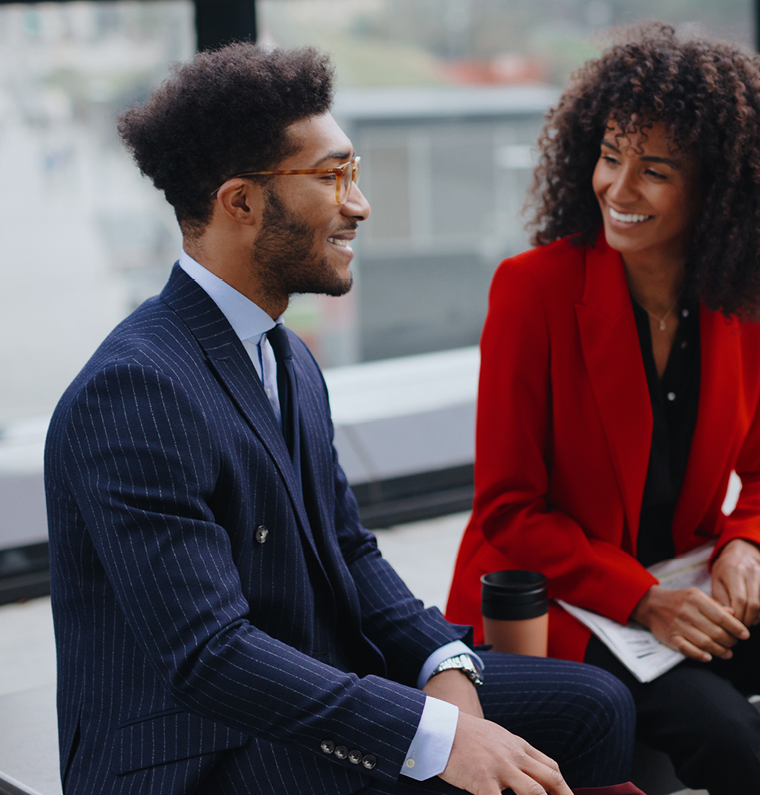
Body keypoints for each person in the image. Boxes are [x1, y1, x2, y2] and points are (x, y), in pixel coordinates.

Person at [44, 43, 636, 795]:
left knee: (594, 706)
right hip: (194, 752)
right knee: (439, 771)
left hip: (302, 688)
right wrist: (433, 735)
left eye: (353, 174)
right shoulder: (135, 389)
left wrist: (440, 665)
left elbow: (349, 547)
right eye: (332, 177)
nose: (358, 203)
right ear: (242, 202)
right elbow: (210, 655)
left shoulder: (284, 355)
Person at [445, 24, 760, 795]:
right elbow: (509, 510)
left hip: (692, 576)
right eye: (610, 157)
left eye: (654, 170)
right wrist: (646, 600)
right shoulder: (533, 291)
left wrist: (748, 547)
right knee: (731, 737)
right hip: (569, 600)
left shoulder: (749, 297)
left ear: (720, 186)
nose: (618, 190)